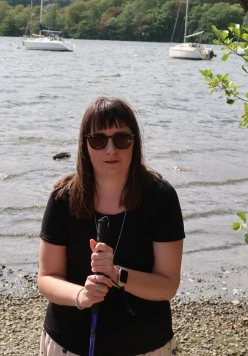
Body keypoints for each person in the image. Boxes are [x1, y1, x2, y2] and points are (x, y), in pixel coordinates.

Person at [38, 96, 185, 356]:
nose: (110, 150)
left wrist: (117, 274)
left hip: (146, 346)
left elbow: (167, 286)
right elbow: (47, 278)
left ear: (134, 142)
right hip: (69, 344)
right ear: (85, 146)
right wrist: (82, 296)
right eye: (98, 140)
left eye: (121, 139)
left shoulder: (161, 198)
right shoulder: (63, 198)